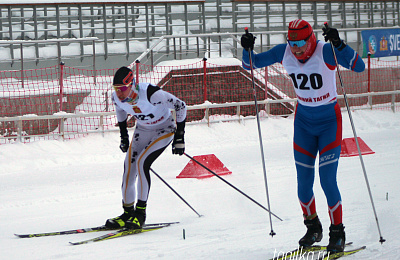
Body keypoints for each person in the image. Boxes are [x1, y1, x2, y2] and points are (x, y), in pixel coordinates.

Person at [241, 19, 365, 253]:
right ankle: (313, 227)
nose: (296, 48)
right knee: (303, 185)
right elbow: (251, 64)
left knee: (327, 180)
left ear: (311, 40)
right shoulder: (284, 52)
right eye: (291, 42)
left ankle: (337, 231)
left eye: (300, 43)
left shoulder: (325, 51)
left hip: (329, 121)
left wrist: (339, 45)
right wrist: (246, 48)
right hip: (304, 124)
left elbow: (359, 67)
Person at [105, 66, 187, 230]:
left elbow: (181, 105)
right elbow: (121, 112)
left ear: (131, 85)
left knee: (142, 163)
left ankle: (140, 214)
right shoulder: (117, 98)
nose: (119, 93)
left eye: (122, 89)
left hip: (164, 129)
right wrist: (123, 136)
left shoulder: (151, 93)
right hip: (142, 130)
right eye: (116, 89)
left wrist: (179, 137)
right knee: (129, 167)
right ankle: (127, 213)